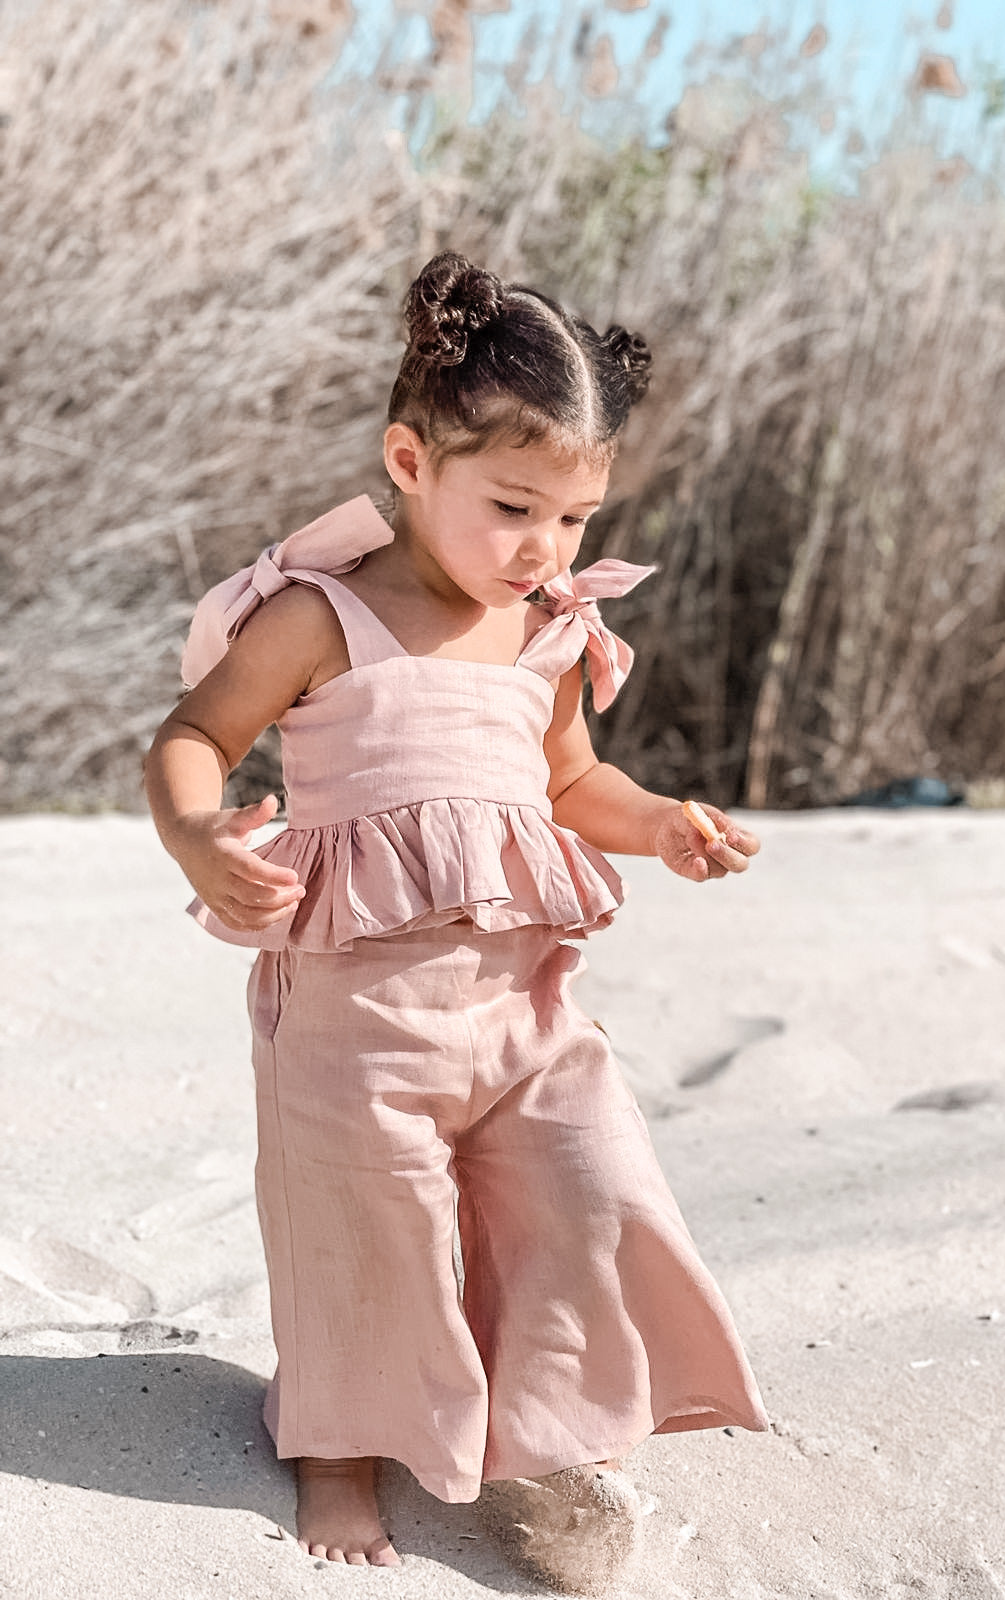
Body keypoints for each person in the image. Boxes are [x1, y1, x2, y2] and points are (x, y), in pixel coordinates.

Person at [144, 251, 768, 1590]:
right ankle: (342, 1443)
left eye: (577, 518)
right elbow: (195, 735)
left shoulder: (546, 628)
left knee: (592, 1189)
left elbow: (571, 781)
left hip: (522, 1010)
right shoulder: (324, 616)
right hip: (352, 1016)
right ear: (411, 462)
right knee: (367, 1229)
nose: (547, 548)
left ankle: (548, 1436)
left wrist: (659, 821)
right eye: (514, 508)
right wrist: (198, 833)